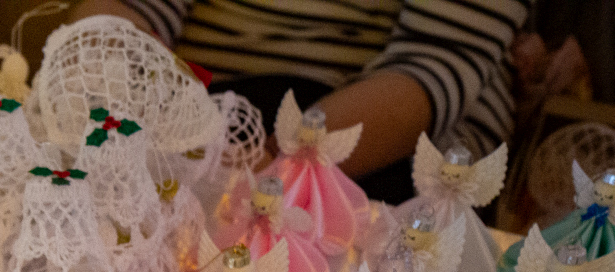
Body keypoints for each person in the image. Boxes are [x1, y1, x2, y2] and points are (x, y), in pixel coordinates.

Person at [66, 0, 528, 203]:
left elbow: (432, 65)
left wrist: (272, 164)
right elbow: (122, 10)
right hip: (190, 103)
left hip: (360, 128)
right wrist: (125, 95)